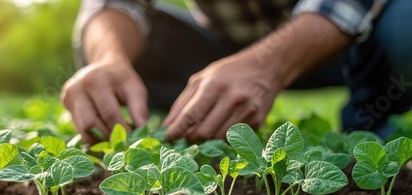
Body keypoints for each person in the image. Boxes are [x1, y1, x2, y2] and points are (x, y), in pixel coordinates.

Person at [61, 0, 412, 144]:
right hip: (226, 51)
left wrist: (267, 65)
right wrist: (108, 58)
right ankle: (183, 121)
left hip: (345, 43)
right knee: (134, 38)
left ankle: (367, 131)